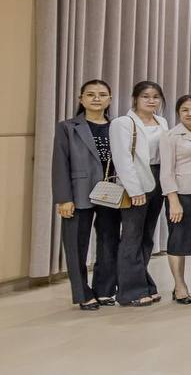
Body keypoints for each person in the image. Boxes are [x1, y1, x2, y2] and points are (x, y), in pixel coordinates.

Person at [52, 79, 120, 310]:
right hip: (79, 192)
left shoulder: (118, 126)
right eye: (90, 94)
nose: (96, 98)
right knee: (76, 245)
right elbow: (60, 164)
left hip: (111, 192)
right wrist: (64, 198)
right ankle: (82, 293)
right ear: (81, 99)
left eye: (102, 94)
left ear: (110, 99)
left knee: (109, 242)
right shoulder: (67, 127)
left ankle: (104, 290)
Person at [110, 81, 170, 307]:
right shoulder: (122, 123)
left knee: (147, 236)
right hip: (136, 180)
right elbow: (122, 159)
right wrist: (134, 189)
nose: (151, 100)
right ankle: (129, 291)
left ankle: (143, 284)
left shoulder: (161, 121)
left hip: (158, 179)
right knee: (132, 236)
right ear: (135, 98)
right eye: (146, 96)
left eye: (155, 96)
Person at [158, 94, 191, 305]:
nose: (190, 113)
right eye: (184, 110)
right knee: (179, 240)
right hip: (182, 195)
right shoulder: (170, 136)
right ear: (178, 113)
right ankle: (179, 286)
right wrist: (173, 200)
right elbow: (166, 172)